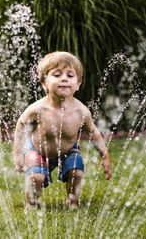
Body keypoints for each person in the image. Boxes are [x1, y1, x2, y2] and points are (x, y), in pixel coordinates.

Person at [13, 51, 112, 209]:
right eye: (57, 75)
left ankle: (72, 201)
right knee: (36, 177)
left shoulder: (82, 112)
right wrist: (18, 153)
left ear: (78, 84)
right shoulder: (37, 109)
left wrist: (105, 156)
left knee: (76, 173)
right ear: (44, 83)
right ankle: (31, 203)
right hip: (39, 150)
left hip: (68, 150)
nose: (64, 78)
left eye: (70, 75)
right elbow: (21, 125)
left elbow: (93, 133)